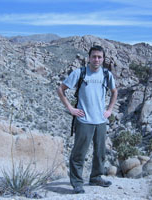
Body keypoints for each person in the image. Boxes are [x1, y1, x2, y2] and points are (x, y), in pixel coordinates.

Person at [57, 45, 118, 194]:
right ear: (89, 58)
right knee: (79, 153)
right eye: (94, 56)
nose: (96, 59)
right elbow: (60, 89)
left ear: (103, 59)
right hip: (84, 121)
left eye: (99, 57)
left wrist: (109, 110)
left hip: (100, 121)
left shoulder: (106, 74)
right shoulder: (80, 73)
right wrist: (71, 109)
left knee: (100, 153)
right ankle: (77, 183)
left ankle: (96, 177)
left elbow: (114, 91)